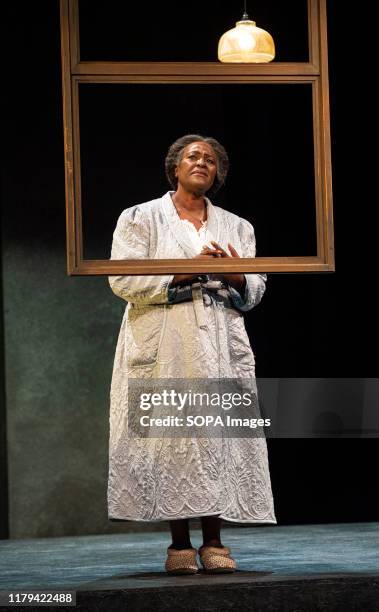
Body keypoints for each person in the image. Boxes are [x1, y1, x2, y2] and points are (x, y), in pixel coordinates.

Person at [107, 134, 276, 575]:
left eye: (210, 160)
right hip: (166, 341)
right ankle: (179, 543)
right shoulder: (140, 218)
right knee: (172, 437)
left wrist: (235, 275)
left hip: (219, 341)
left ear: (217, 173)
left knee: (218, 436)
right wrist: (191, 268)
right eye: (192, 156)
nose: (201, 163)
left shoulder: (238, 227)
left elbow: (255, 288)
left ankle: (215, 541)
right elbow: (122, 282)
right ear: (175, 168)